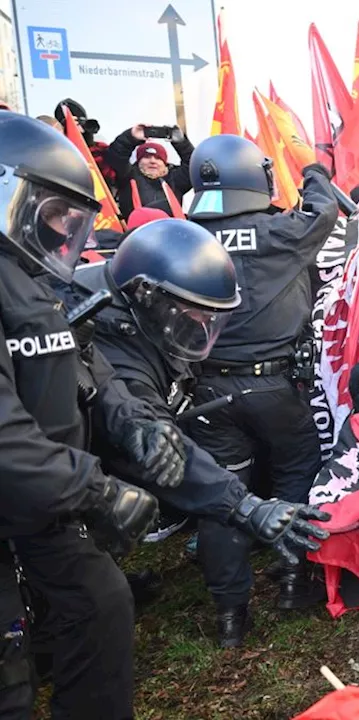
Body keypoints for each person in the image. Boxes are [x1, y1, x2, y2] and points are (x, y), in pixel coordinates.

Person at [70, 219, 334, 647]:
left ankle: (231, 613)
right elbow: (131, 404)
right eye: (191, 318)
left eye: (210, 320)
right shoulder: (107, 328)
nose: (200, 330)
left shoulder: (133, 318)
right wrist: (245, 506)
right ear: (149, 299)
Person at [0, 112, 174, 720]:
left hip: (36, 502)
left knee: (99, 602)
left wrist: (133, 420)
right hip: (34, 487)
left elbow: (83, 365)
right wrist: (96, 491)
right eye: (54, 214)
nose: (61, 235)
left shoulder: (30, 282)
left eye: (73, 223)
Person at [185, 134, 339, 642]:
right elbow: (323, 212)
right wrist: (315, 171)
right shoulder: (280, 232)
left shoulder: (185, 235)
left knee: (223, 495)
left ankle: (231, 618)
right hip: (276, 386)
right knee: (297, 470)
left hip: (208, 391)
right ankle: (294, 581)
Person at [106, 124, 194, 219]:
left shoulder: (175, 179)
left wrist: (181, 142)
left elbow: (195, 165)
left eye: (158, 158)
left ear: (165, 163)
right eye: (147, 157)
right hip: (135, 231)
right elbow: (116, 156)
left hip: (171, 231)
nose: (152, 161)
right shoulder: (128, 175)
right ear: (138, 161)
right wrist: (131, 137)